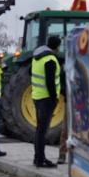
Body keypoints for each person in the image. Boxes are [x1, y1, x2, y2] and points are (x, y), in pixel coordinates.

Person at [31, 35, 61, 168]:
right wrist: (54, 98)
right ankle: (40, 160)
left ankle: (38, 157)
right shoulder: (50, 60)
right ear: (57, 46)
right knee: (42, 131)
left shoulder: (37, 57)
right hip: (46, 99)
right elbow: (50, 82)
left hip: (37, 97)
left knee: (39, 130)